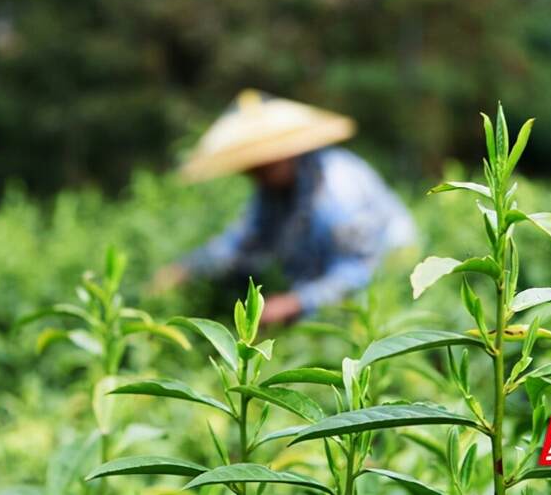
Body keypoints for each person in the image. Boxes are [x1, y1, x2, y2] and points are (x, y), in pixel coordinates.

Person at [151, 89, 417, 325]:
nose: (254, 173)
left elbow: (360, 268)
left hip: (391, 275)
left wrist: (295, 302)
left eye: (263, 165)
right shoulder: (274, 191)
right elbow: (245, 243)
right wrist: (187, 269)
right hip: (325, 288)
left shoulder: (336, 190)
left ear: (287, 151)